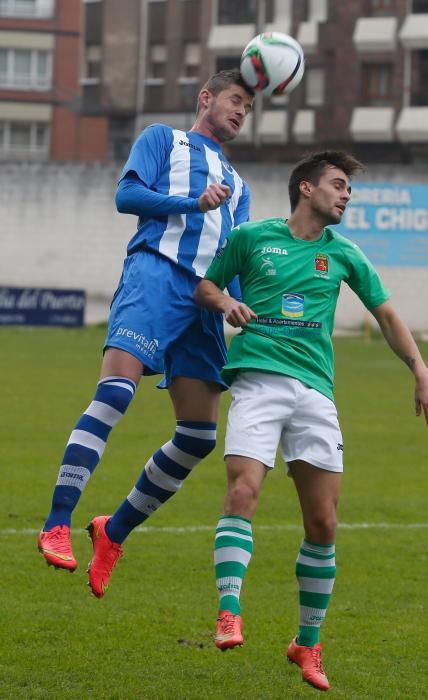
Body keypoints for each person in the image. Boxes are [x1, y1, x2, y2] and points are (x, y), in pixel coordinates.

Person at [193, 151, 428, 691]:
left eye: (348, 187)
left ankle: (307, 642)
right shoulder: (253, 237)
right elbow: (206, 287)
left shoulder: (345, 253)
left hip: (316, 394)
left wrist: (420, 370)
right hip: (257, 380)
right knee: (243, 490)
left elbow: (387, 314)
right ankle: (229, 611)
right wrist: (226, 304)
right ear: (306, 189)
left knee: (324, 524)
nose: (346, 194)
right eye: (338, 184)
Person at [38, 69, 255, 597]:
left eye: (248, 107)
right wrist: (191, 203)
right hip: (155, 274)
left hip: (204, 302)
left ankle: (111, 533)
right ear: (205, 97)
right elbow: (127, 195)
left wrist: (241, 305)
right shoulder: (165, 139)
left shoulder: (241, 187)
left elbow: (234, 260)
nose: (241, 111)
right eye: (234, 100)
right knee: (115, 392)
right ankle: (57, 522)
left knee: (199, 437)